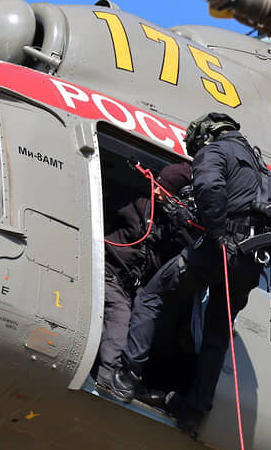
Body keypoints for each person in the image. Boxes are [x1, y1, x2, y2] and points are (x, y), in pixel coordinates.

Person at [112, 112, 271, 434]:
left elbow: (208, 185)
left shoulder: (214, 152)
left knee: (151, 295)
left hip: (220, 249)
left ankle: (127, 376)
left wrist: (215, 234)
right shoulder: (264, 171)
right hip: (250, 264)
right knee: (217, 333)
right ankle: (194, 411)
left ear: (207, 135)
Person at [95, 162, 193, 396]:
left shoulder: (173, 226)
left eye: (164, 189)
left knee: (149, 318)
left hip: (130, 287)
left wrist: (180, 228)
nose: (157, 190)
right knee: (120, 314)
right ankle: (107, 375)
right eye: (157, 185)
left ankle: (137, 378)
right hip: (107, 272)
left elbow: (191, 253)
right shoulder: (135, 203)